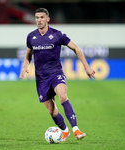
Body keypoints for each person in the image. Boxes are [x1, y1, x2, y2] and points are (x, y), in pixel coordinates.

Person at [19, 8, 95, 141]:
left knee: (63, 96)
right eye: (37, 18)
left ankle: (76, 130)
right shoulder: (31, 37)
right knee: (52, 111)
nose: (39, 20)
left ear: (47, 19)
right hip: (41, 78)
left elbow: (76, 48)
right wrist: (25, 65)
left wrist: (86, 67)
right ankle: (65, 131)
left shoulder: (57, 34)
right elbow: (28, 55)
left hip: (56, 73)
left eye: (42, 17)